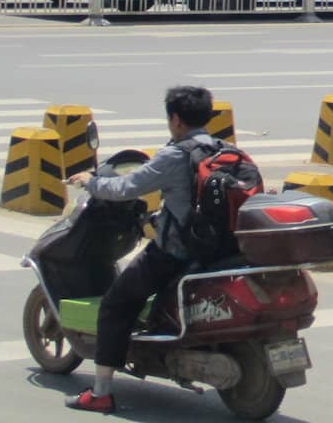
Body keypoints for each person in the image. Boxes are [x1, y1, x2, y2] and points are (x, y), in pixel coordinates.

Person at [61, 86, 220, 413]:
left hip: (176, 252)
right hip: (214, 250)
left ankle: (101, 391)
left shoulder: (175, 154)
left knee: (115, 305)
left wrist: (89, 181)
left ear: (175, 119)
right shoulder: (222, 150)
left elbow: (127, 187)